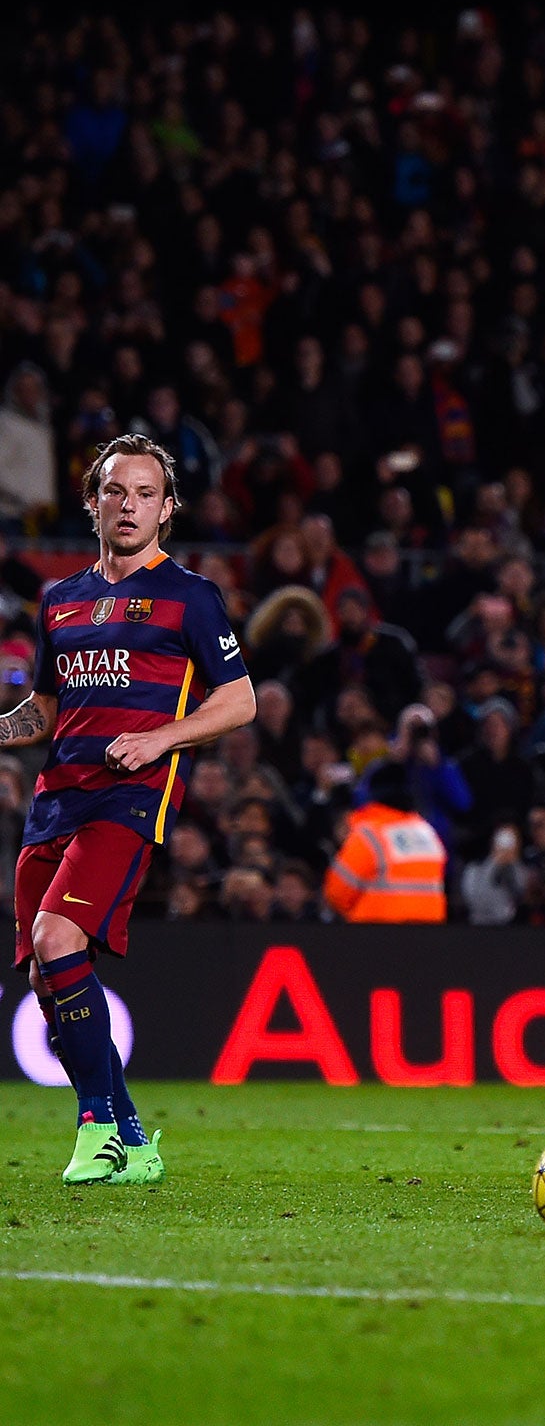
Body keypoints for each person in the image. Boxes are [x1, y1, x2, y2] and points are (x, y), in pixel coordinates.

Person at [0, 434, 255, 1184]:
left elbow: (237, 700)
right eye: (116, 491)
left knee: (56, 935)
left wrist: (158, 742)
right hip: (55, 803)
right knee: (50, 977)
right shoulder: (61, 600)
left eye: (146, 494)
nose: (130, 505)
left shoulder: (190, 596)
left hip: (128, 801)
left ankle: (97, 1126)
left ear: (168, 509)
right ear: (93, 501)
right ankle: (136, 1141)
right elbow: (44, 711)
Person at [324, 760, 449, 922]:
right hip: (429, 936)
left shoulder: (370, 835)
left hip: (379, 937)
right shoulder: (427, 832)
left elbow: (336, 894)